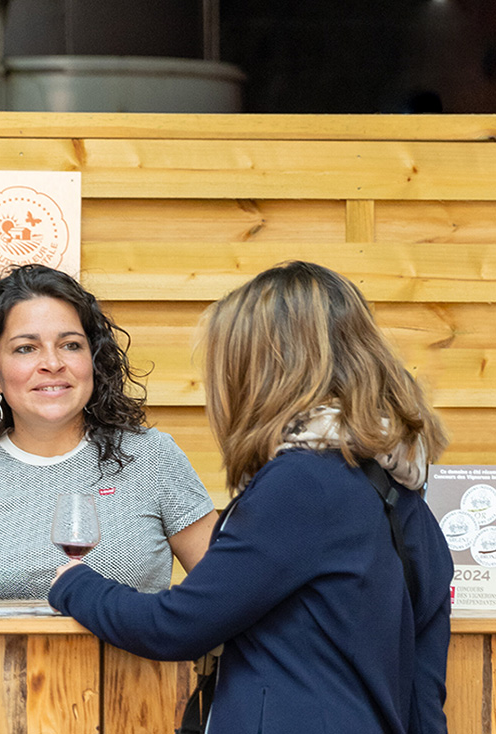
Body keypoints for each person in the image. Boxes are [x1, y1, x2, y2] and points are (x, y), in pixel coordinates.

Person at [49, 261, 453, 733]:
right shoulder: (400, 488)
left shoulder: (302, 483)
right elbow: (425, 691)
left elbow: (176, 626)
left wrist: (76, 584)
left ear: (265, 370)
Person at [0, 263, 217, 601]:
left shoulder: (153, 457)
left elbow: (226, 590)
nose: (53, 363)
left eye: (70, 345)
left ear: (94, 362)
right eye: (26, 348)